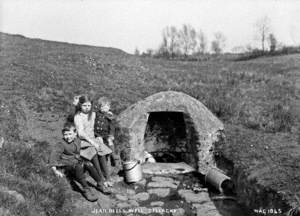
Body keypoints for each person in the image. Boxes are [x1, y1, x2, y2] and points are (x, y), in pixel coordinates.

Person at [49, 122, 109, 201]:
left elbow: (81, 145)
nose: (68, 137)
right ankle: (86, 189)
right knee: (79, 166)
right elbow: (53, 157)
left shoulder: (77, 140)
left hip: (76, 162)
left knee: (88, 164)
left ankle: (100, 183)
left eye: (70, 134)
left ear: (75, 133)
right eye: (65, 134)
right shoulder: (61, 144)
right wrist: (55, 170)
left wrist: (95, 143)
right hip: (66, 166)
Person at [73, 95, 113, 189]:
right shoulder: (78, 116)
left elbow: (102, 115)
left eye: (89, 105)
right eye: (84, 105)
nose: (87, 108)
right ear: (80, 105)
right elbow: (81, 133)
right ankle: (101, 179)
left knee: (102, 153)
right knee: (94, 153)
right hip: (83, 141)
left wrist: (98, 137)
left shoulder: (93, 114)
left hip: (93, 138)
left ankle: (108, 178)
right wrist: (92, 141)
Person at [94, 97, 118, 167]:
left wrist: (111, 135)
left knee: (109, 141)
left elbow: (112, 126)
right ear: (99, 107)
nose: (104, 108)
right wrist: (96, 135)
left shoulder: (109, 115)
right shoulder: (96, 114)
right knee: (101, 146)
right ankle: (104, 160)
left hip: (106, 134)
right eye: (102, 106)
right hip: (97, 134)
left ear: (109, 107)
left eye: (106, 106)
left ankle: (113, 156)